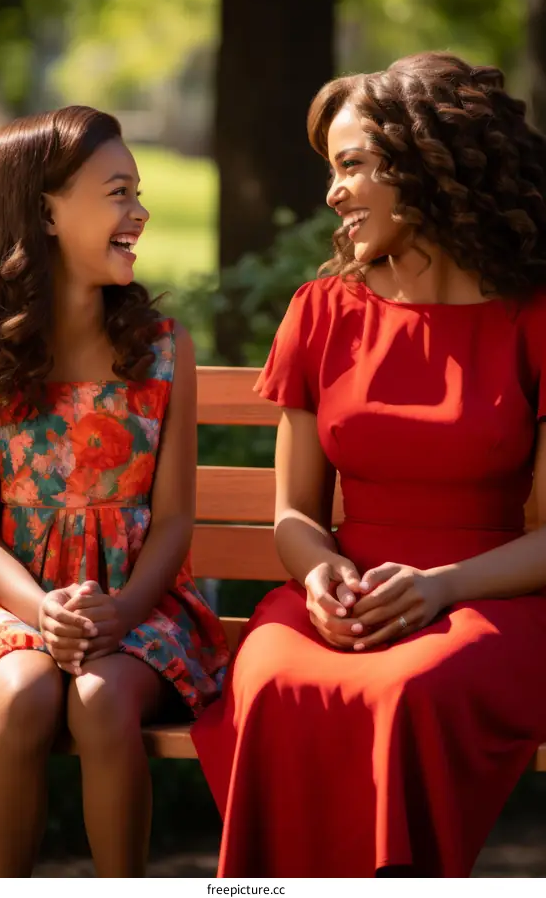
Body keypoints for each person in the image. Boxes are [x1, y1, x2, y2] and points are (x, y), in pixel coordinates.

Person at [191, 51, 546, 877]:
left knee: (406, 693)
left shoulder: (533, 316)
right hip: (340, 598)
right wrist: (317, 575)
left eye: (352, 165)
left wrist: (441, 586)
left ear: (426, 166)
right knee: (275, 684)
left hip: (494, 601)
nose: (333, 192)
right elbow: (294, 515)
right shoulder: (323, 312)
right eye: (332, 169)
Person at [0, 106, 229, 877]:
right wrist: (42, 611)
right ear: (45, 209)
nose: (138, 212)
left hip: (143, 604)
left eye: (138, 192)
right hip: (14, 601)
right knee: (30, 696)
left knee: (102, 699)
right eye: (118, 192)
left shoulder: (165, 351)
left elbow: (174, 517)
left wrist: (122, 611)